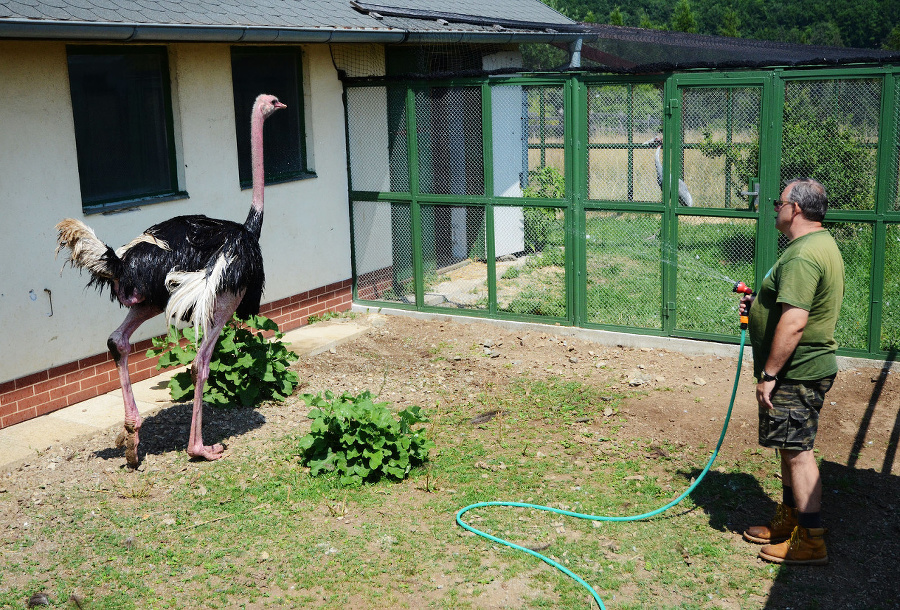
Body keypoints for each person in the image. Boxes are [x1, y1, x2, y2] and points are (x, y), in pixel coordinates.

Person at [738, 177, 844, 565]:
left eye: (778, 202)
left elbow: (796, 321)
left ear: (795, 209)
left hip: (797, 372)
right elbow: (794, 302)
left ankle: (812, 539)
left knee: (799, 452)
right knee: (789, 444)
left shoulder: (802, 255)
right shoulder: (819, 243)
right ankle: (790, 519)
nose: (775, 208)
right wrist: (761, 300)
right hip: (801, 370)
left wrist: (769, 374)